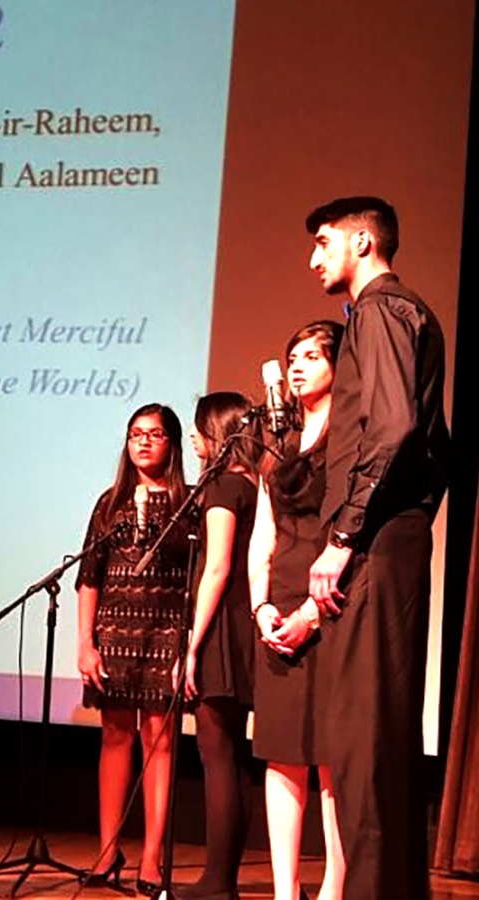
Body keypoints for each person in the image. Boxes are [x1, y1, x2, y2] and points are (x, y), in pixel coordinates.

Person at [301, 197, 450, 900]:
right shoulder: (397, 314)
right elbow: (437, 449)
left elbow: (392, 430)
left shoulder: (384, 311)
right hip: (393, 542)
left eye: (324, 243)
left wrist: (345, 535)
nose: (313, 259)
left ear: (363, 241)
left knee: (363, 743)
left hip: (373, 546)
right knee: (370, 740)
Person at [248, 321, 346, 900]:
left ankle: (334, 887)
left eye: (312, 355)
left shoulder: (351, 438)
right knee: (282, 755)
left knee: (331, 756)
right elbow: (264, 536)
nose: (298, 366)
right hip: (278, 606)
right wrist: (261, 606)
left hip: (332, 606)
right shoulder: (279, 445)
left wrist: (311, 613)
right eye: (293, 357)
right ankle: (287, 892)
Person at [77, 404, 192, 894]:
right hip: (114, 636)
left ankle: (151, 858)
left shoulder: (190, 504)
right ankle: (107, 852)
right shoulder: (110, 503)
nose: (143, 442)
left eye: (155, 434)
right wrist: (85, 643)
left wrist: (189, 646)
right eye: (135, 434)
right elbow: (89, 577)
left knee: (160, 743)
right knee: (115, 738)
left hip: (166, 635)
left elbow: (197, 580)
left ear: (173, 444)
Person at [180, 392, 260, 900]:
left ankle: (217, 882)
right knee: (234, 757)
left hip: (225, 631)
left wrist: (191, 646)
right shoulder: (256, 483)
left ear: (218, 432)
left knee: (217, 753)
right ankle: (221, 879)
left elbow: (217, 568)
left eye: (198, 429)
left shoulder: (225, 487)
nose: (192, 439)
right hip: (249, 629)